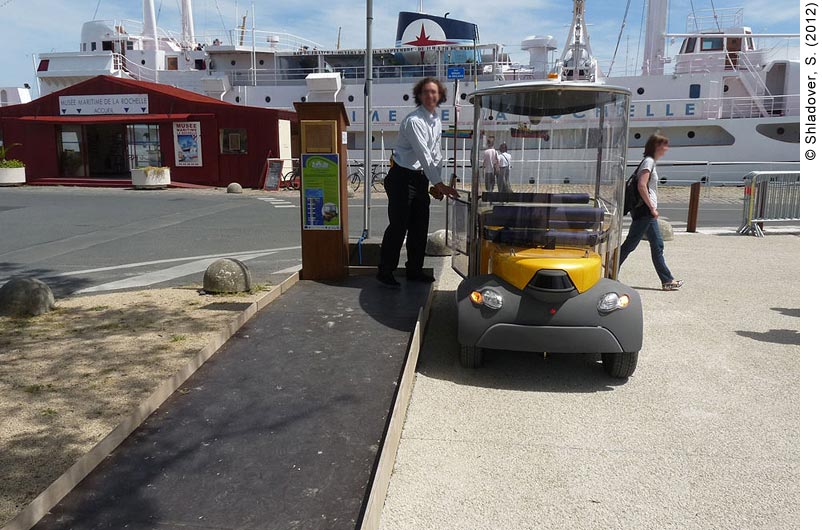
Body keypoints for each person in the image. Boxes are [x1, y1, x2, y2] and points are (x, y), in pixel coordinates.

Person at [377, 77, 460, 288]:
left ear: (440, 96)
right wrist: (440, 183)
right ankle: (385, 271)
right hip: (402, 178)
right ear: (419, 96)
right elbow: (423, 153)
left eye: (434, 92)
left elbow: (435, 154)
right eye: (425, 92)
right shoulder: (414, 121)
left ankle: (414, 270)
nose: (430, 96)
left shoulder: (435, 121)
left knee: (420, 227)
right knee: (398, 226)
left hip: (421, 178)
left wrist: (435, 182)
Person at [619, 133, 684, 291]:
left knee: (656, 244)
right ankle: (610, 271)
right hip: (645, 211)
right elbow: (642, 185)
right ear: (656, 146)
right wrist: (652, 207)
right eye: (664, 145)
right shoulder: (648, 162)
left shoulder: (649, 161)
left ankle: (667, 280)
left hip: (646, 211)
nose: (666, 149)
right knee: (631, 244)